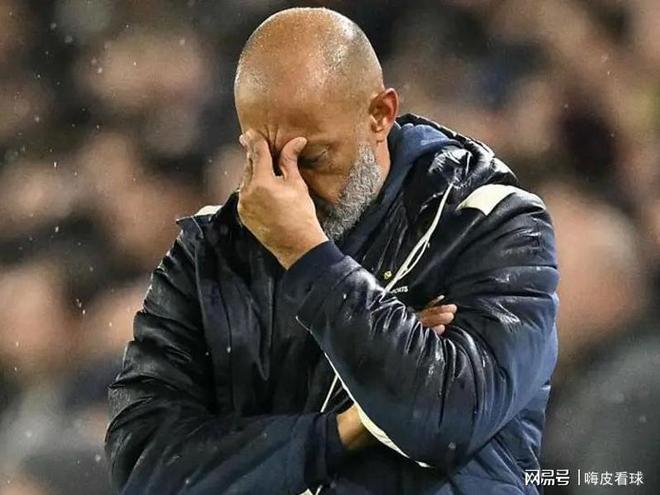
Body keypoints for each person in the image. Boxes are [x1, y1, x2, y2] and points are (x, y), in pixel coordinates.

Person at [105, 7, 559, 495]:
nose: (291, 191)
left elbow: (446, 417)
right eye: (267, 159)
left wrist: (308, 255)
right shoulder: (208, 253)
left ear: (379, 115)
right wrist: (346, 427)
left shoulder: (489, 222)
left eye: (313, 158)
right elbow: (146, 465)